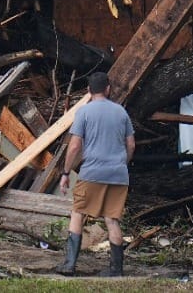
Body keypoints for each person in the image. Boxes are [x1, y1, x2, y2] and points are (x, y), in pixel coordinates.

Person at [55, 71, 135, 277]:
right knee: (112, 220)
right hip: (118, 173)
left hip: (92, 172)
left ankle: (69, 265)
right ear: (108, 89)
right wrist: (121, 163)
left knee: (78, 213)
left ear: (89, 91)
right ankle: (116, 270)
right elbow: (131, 144)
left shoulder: (84, 112)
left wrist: (66, 172)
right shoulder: (121, 112)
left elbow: (74, 146)